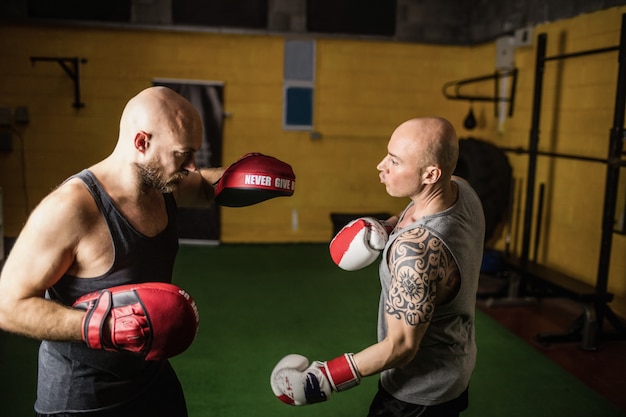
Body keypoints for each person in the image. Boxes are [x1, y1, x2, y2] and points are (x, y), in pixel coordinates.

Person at [0, 86, 226, 417]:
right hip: (84, 397)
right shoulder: (71, 208)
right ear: (141, 142)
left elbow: (206, 186)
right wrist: (101, 326)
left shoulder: (164, 185)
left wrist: (238, 178)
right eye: (182, 154)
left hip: (150, 377)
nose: (191, 166)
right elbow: (7, 306)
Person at [271, 117, 486, 417]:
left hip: (416, 396)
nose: (381, 165)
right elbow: (422, 212)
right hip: (455, 367)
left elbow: (401, 346)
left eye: (395, 161)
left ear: (430, 174)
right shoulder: (461, 191)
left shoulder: (415, 252)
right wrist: (387, 226)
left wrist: (324, 378)